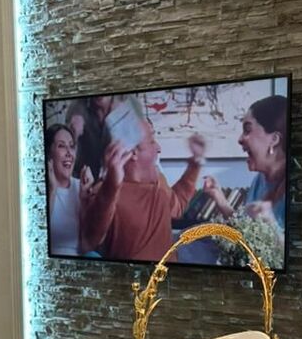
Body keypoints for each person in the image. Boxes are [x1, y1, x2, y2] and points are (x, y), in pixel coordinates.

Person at [84, 123, 205, 261]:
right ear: (133, 152)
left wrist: (195, 165)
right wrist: (111, 184)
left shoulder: (158, 180)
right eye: (152, 141)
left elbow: (177, 207)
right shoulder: (105, 191)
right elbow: (90, 240)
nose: (158, 148)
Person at [203, 95, 287, 233]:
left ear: (274, 139)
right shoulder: (259, 180)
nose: (240, 139)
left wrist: (270, 223)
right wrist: (219, 197)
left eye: (247, 130)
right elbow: (245, 234)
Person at [45, 124, 93, 256]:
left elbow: (86, 246)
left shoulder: (80, 186)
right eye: (61, 146)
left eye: (71, 146)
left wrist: (84, 200)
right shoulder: (39, 189)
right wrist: (52, 190)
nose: (69, 153)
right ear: (49, 155)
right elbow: (38, 239)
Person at [66, 95, 114, 181]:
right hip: (82, 177)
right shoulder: (78, 107)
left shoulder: (125, 104)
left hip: (111, 177)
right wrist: (74, 134)